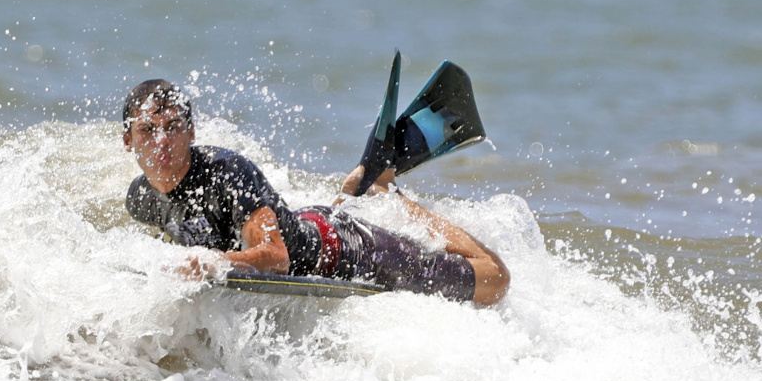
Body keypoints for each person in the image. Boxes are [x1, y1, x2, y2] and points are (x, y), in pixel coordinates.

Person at [123, 79, 509, 306]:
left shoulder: (226, 174)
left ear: (191, 132)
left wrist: (211, 261)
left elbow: (276, 258)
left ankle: (385, 193)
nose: (161, 142)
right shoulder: (141, 198)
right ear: (128, 140)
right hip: (304, 223)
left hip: (344, 251)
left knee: (494, 280)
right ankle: (361, 191)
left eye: (173, 127)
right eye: (146, 131)